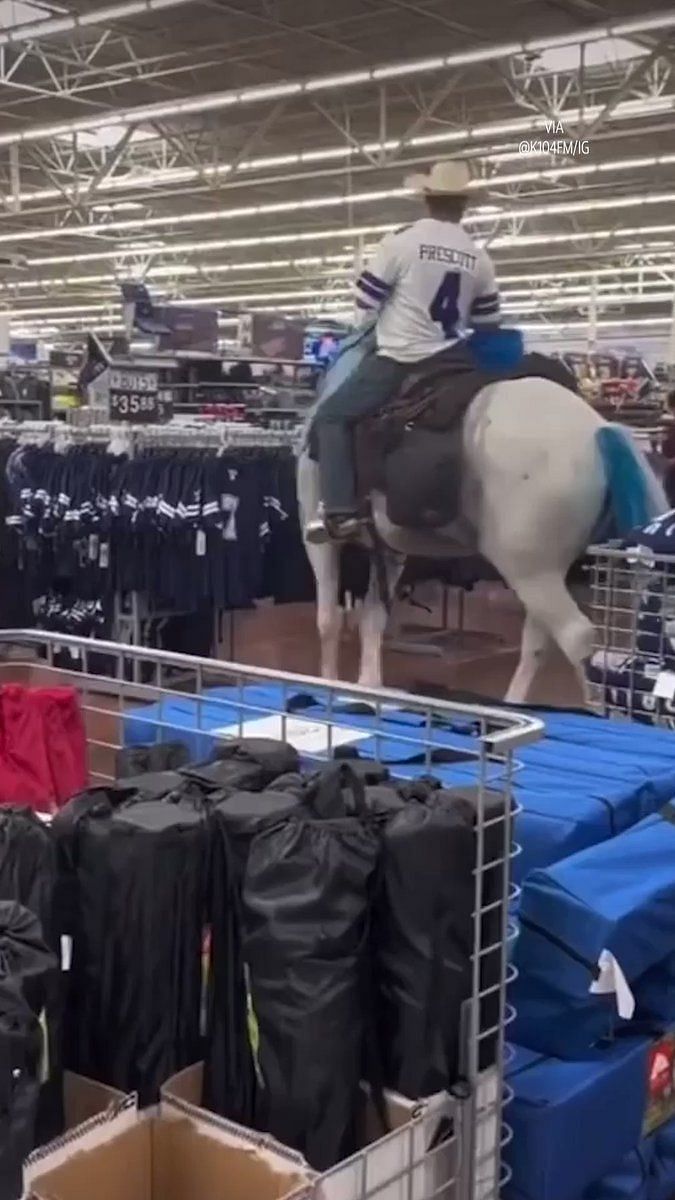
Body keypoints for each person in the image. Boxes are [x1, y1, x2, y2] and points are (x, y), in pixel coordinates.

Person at [306, 158, 502, 544]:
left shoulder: (402, 241)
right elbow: (488, 322)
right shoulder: (479, 257)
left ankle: (339, 510)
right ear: (463, 206)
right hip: (453, 362)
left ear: (427, 201)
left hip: (400, 357)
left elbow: (366, 300)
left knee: (331, 417)